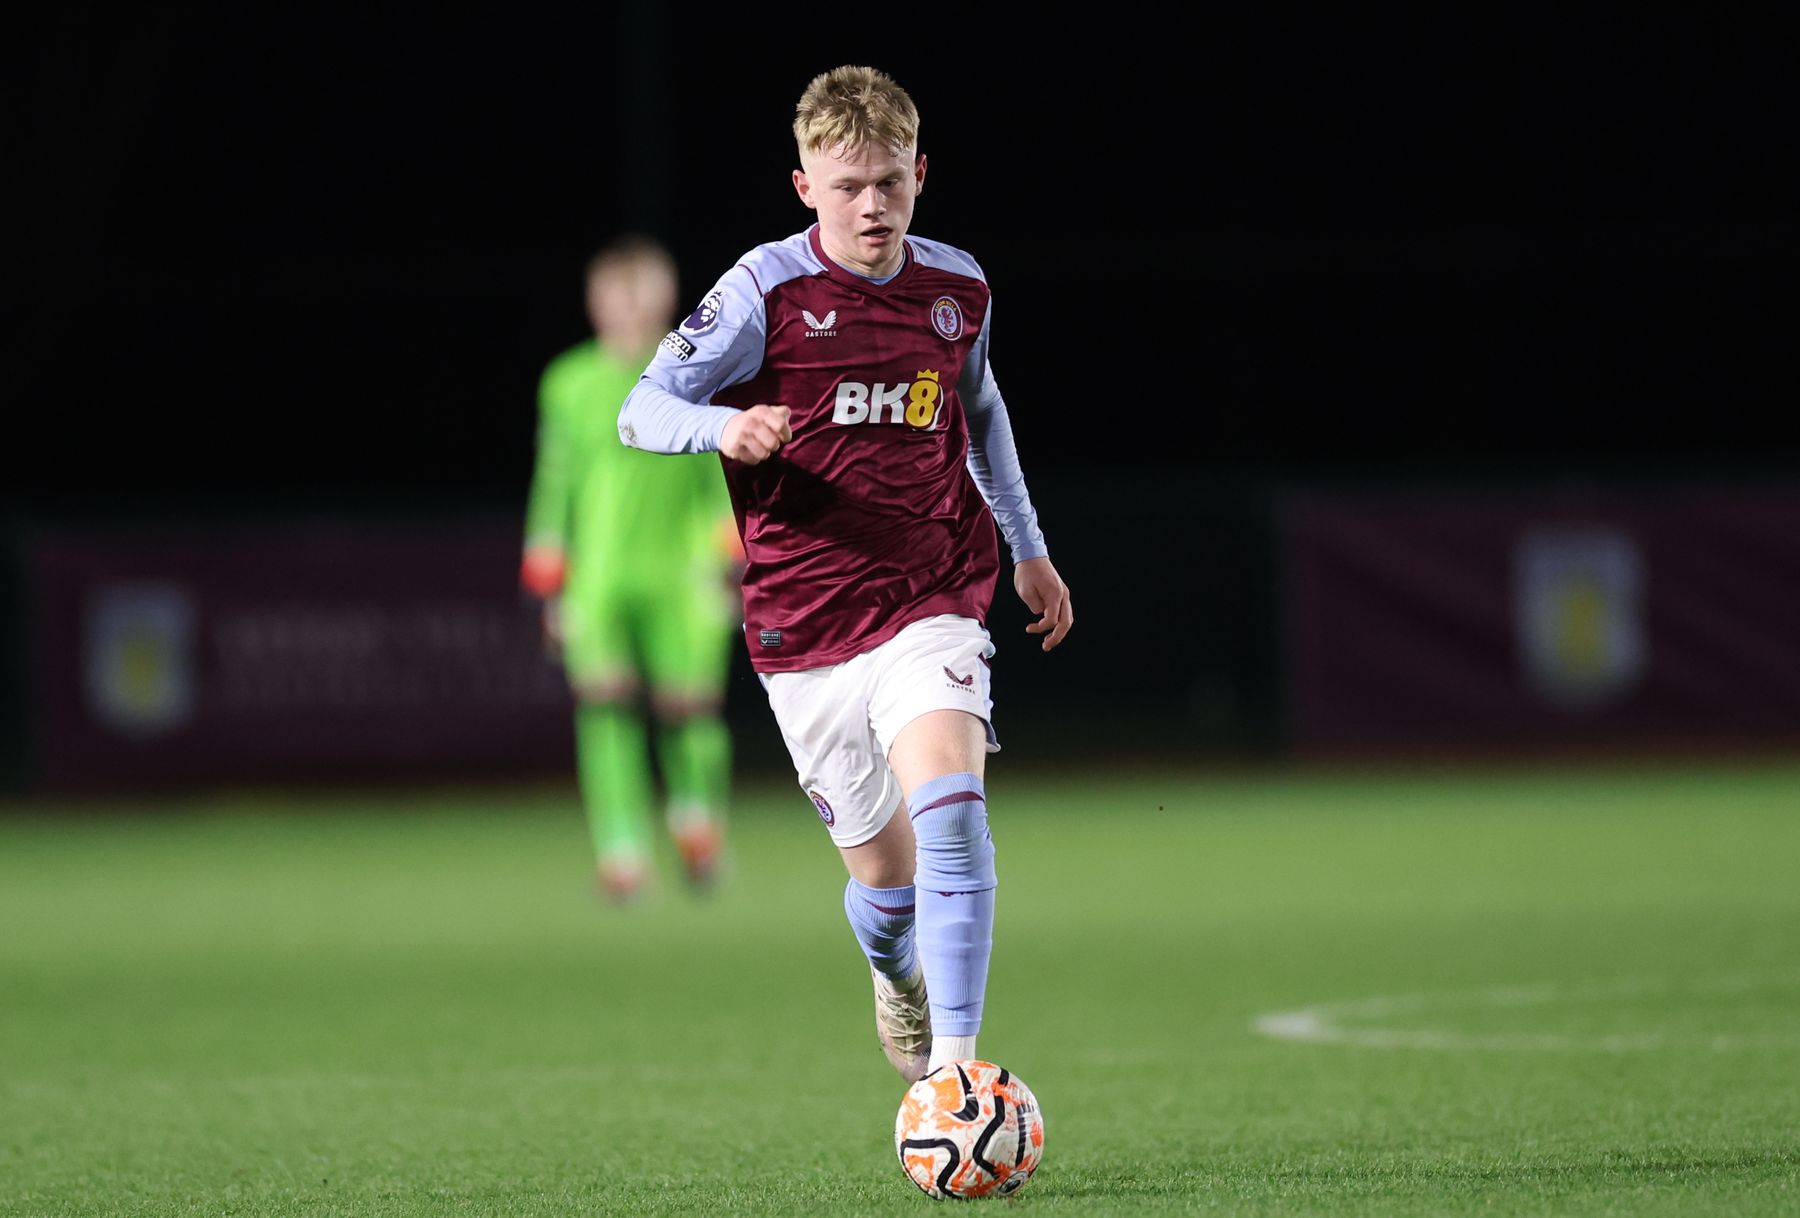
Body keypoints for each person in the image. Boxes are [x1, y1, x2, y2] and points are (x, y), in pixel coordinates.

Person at [617, 66, 1073, 1081]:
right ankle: (895, 974)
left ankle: (955, 1079)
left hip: (934, 591)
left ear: (921, 173)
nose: (873, 206)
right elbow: (641, 408)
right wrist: (724, 425)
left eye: (890, 184)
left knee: (953, 816)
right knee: (887, 883)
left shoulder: (957, 289)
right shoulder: (763, 292)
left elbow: (982, 415)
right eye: (848, 186)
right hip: (806, 625)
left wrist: (1028, 548)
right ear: (804, 186)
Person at [521, 234, 743, 903]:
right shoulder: (568, 382)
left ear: (665, 299)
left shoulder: (694, 373)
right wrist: (548, 577)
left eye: (637, 294)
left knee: (692, 714)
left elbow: (718, 475)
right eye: (612, 295)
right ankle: (621, 851)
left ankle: (696, 820)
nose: (624, 309)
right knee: (605, 707)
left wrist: (729, 560)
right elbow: (555, 483)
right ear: (595, 302)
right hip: (600, 575)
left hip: (683, 574)